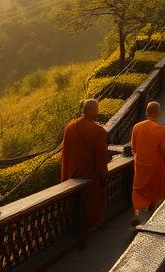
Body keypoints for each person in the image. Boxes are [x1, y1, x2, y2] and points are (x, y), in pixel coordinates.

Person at [60, 98, 110, 231]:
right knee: (93, 201)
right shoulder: (98, 131)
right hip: (90, 177)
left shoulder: (70, 127)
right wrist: (104, 176)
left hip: (71, 175)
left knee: (75, 206)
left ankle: (75, 227)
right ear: (96, 111)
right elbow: (101, 159)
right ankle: (92, 225)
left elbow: (65, 154)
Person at [130, 101, 165, 226]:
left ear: (146, 112)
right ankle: (152, 212)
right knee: (154, 188)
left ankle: (137, 214)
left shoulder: (137, 127)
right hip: (155, 165)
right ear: (159, 113)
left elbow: (134, 147)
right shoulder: (163, 130)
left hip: (140, 164)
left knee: (138, 189)